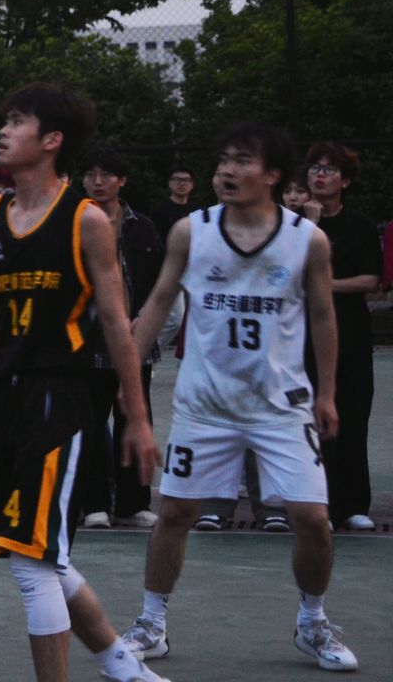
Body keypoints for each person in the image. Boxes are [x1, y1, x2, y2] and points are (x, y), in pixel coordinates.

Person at [0, 84, 161, 682]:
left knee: (34, 561)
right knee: (39, 555)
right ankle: (122, 665)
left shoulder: (85, 221)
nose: (4, 131)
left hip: (57, 398)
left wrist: (137, 417)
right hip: (1, 397)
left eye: (17, 122)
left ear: (52, 140)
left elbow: (116, 323)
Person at [118, 124, 357, 672]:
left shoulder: (307, 240)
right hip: (205, 406)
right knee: (175, 512)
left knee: (311, 517)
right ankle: (152, 624)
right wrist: (128, 378)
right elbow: (158, 302)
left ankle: (312, 622)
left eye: (242, 161)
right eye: (222, 160)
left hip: (281, 407)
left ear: (272, 175)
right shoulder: (191, 231)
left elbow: (324, 316)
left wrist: (327, 393)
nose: (226, 170)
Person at [77, 148, 165, 530]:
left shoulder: (142, 227)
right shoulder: (73, 223)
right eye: (90, 174)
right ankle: (94, 503)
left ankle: (133, 503)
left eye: (106, 175)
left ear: (122, 180)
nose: (97, 182)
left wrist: (142, 318)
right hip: (87, 343)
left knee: (134, 418)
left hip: (135, 341)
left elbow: (160, 283)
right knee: (90, 424)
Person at [300, 142, 379, 531]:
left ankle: (353, 505)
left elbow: (371, 279)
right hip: (302, 338)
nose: (320, 175)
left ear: (345, 181)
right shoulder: (293, 223)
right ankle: (317, 504)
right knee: (308, 420)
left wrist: (325, 286)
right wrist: (311, 225)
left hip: (351, 336)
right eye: (315, 168)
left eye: (329, 170)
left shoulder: (360, 225)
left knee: (353, 416)